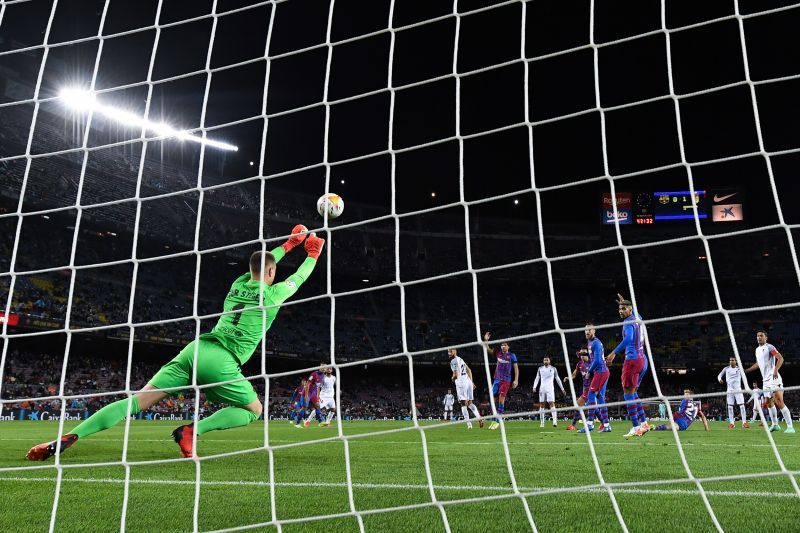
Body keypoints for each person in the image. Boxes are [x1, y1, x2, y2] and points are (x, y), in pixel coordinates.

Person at [27, 226, 324, 460]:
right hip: (222, 361)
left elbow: (263, 264)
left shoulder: (237, 284)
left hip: (195, 349)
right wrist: (312, 253)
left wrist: (289, 244)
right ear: (272, 274)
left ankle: (67, 437)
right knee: (254, 410)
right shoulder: (272, 296)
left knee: (134, 402)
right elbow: (298, 277)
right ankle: (192, 430)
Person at [605, 294, 650, 438]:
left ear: (630, 310)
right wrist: (625, 302)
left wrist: (613, 353)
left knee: (627, 393)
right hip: (643, 359)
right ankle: (644, 423)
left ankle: (636, 427)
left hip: (632, 360)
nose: (620, 311)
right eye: (619, 308)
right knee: (633, 392)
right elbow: (635, 312)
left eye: (623, 308)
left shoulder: (627, 322)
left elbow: (629, 338)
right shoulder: (638, 318)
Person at [744, 331, 794, 433]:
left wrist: (775, 370)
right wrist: (747, 370)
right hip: (765, 381)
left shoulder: (769, 347)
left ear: (766, 338)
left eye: (761, 336)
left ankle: (790, 427)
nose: (759, 337)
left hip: (774, 378)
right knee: (768, 403)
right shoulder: (757, 350)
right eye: (757, 336)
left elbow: (780, 358)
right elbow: (758, 363)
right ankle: (775, 425)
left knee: (779, 401)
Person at [577, 323, 610, 433]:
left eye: (589, 330)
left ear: (594, 331)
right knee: (600, 399)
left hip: (600, 372)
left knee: (591, 395)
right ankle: (606, 425)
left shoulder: (596, 343)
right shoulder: (590, 342)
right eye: (585, 330)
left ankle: (590, 424)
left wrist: (589, 371)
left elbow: (597, 361)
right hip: (601, 372)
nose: (587, 332)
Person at [483, 332, 519, 430]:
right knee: (492, 400)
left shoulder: (512, 355)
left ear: (508, 347)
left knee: (501, 400)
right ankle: (495, 419)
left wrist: (516, 380)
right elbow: (488, 350)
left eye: (505, 345)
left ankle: (497, 421)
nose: (503, 346)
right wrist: (486, 341)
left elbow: (516, 368)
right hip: (497, 380)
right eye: (502, 345)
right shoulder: (498, 353)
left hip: (506, 381)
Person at [448, 349, 483, 429]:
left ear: (455, 351)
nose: (449, 353)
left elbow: (456, 375)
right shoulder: (460, 359)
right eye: (448, 352)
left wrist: (452, 378)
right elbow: (469, 370)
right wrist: (472, 382)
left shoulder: (453, 361)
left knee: (463, 404)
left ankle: (469, 425)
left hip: (461, 383)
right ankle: (479, 417)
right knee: (470, 403)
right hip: (468, 381)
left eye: (451, 351)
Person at [533, 356, 565, 428]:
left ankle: (554, 421)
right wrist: (534, 387)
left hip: (550, 388)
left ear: (549, 361)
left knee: (551, 403)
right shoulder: (540, 369)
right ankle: (542, 422)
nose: (545, 361)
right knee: (542, 404)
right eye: (544, 360)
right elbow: (537, 378)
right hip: (542, 388)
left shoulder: (553, 369)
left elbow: (558, 379)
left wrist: (562, 389)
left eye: (547, 360)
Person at [718, 357, 749, 429]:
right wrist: (720, 379)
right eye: (730, 360)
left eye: (732, 360)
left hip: (738, 390)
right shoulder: (726, 369)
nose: (731, 361)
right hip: (730, 390)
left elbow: (744, 377)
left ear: (736, 361)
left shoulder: (739, 369)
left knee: (742, 406)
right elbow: (719, 375)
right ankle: (732, 423)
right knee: (729, 407)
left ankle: (744, 423)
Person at [565, 351, 591, 431]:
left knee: (586, 405)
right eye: (581, 355)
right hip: (585, 387)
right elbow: (574, 375)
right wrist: (569, 378)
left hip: (594, 387)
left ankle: (603, 423)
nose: (582, 356)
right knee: (584, 405)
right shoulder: (579, 364)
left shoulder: (593, 362)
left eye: (584, 354)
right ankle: (604, 424)